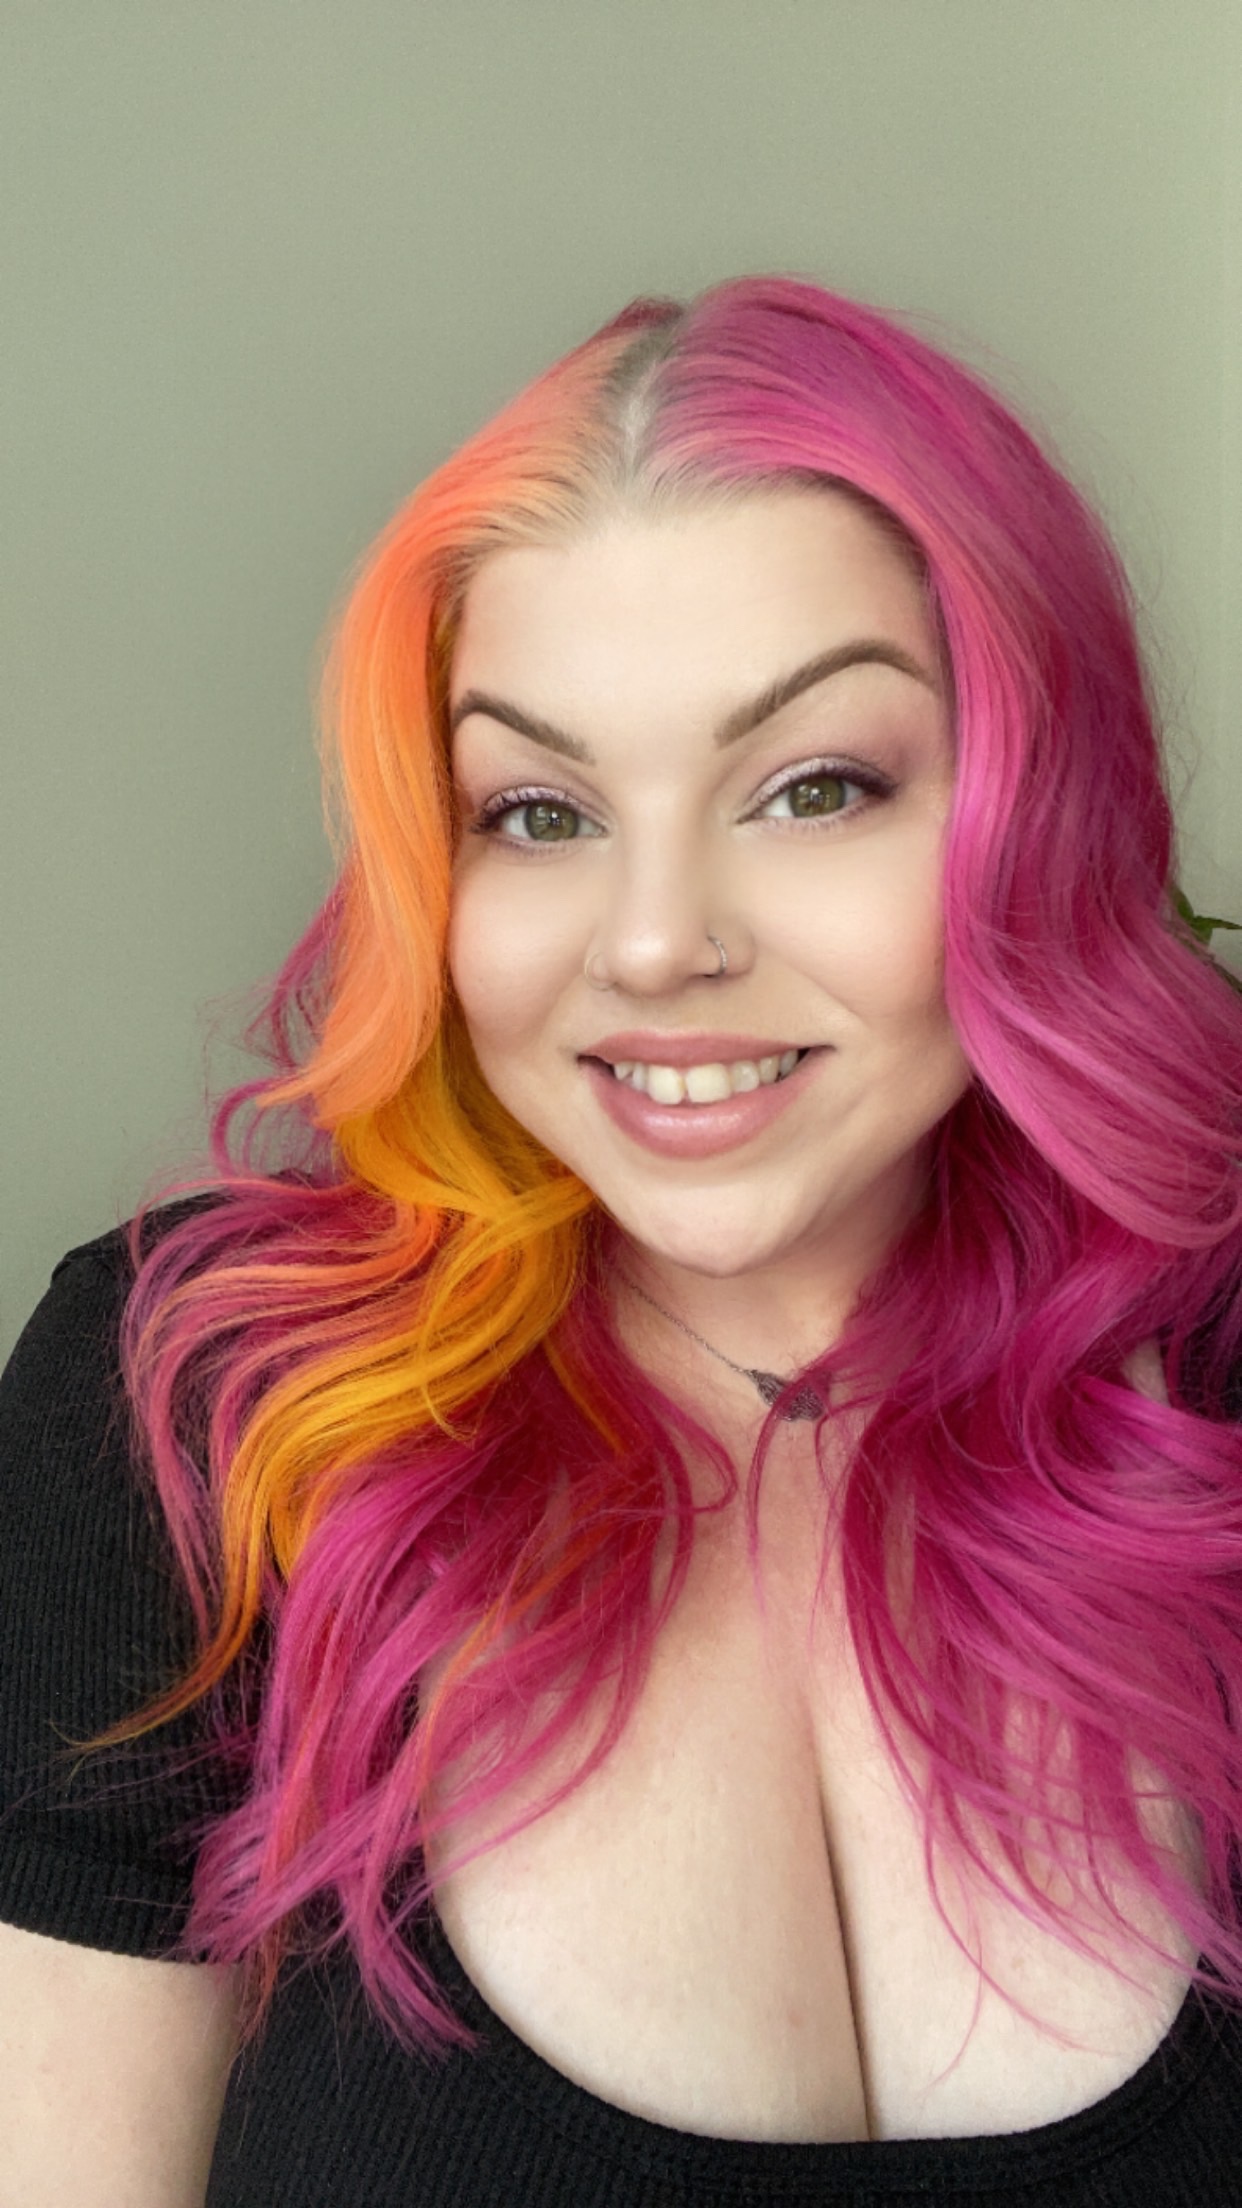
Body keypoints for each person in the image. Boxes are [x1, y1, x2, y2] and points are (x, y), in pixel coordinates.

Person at [3, 276, 1242, 2206]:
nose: (655, 943)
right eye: (539, 810)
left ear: (1035, 811)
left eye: (813, 787)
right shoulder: (201, 1405)